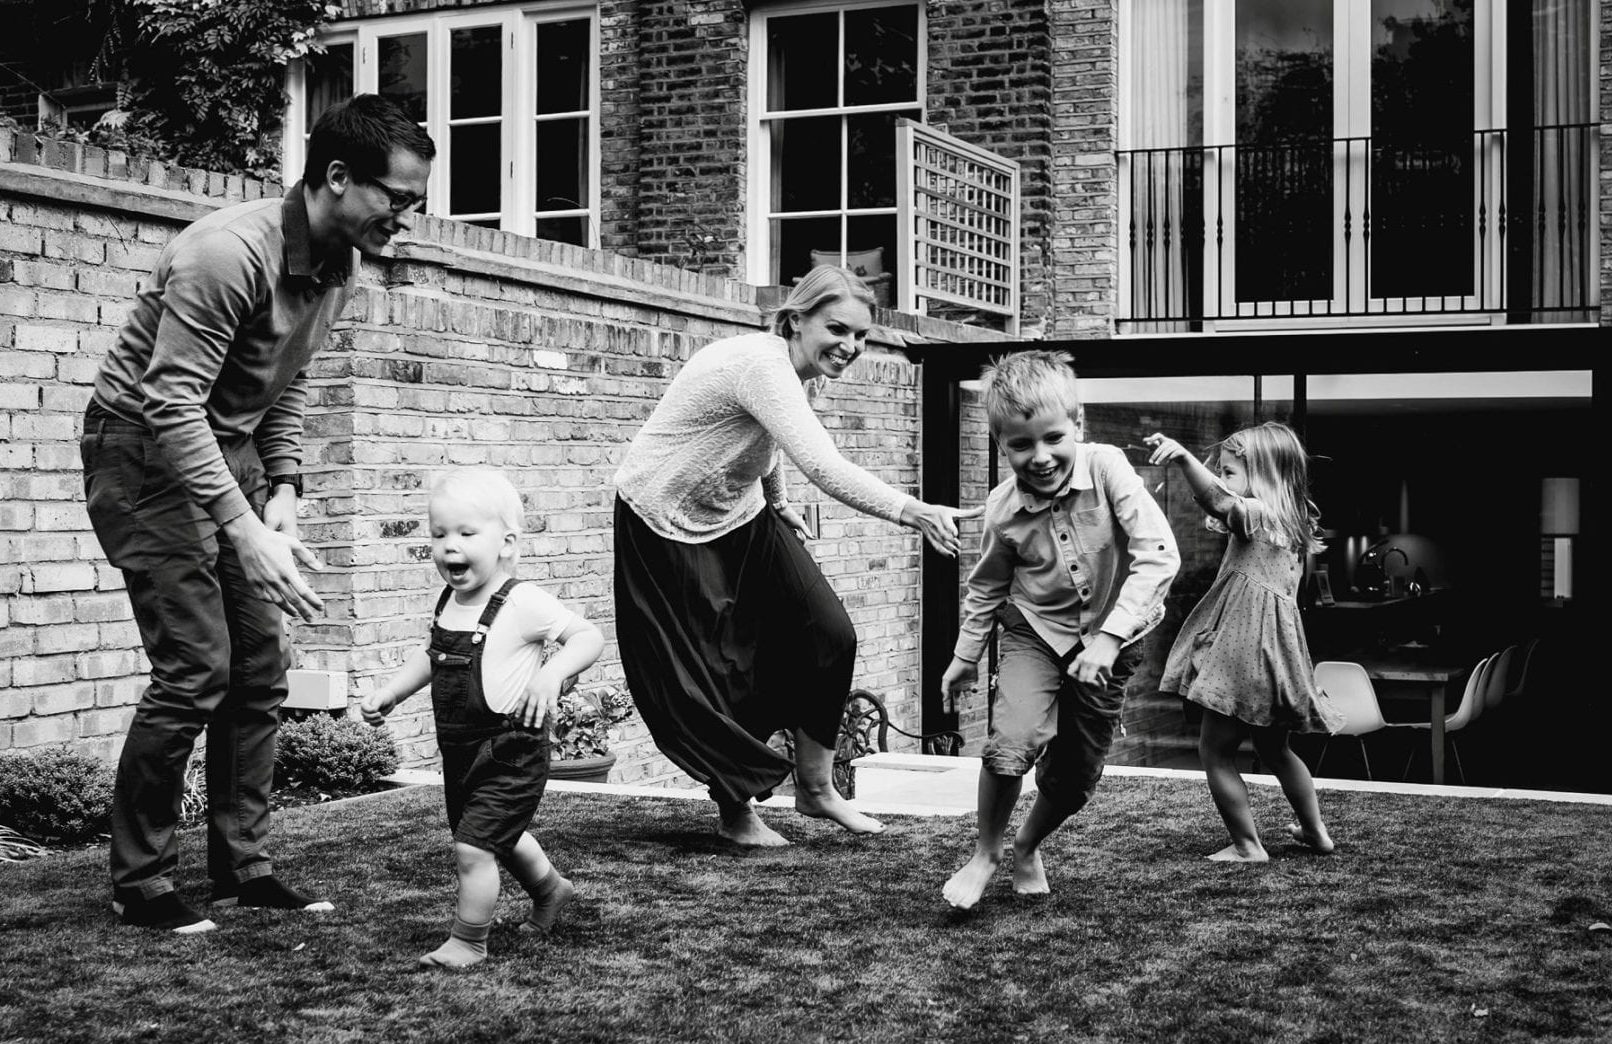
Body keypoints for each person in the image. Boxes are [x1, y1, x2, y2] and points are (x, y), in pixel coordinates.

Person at [80, 94, 436, 933]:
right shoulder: (227, 254)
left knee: (259, 669)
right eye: (398, 198)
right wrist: (238, 525)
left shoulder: (341, 260)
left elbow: (285, 382)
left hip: (223, 448)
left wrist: (282, 494)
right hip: (141, 451)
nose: (407, 219)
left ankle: (244, 870)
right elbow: (168, 404)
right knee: (195, 668)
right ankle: (142, 882)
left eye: (416, 203)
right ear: (338, 177)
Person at [613, 265, 978, 847]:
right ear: (797, 320)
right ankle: (737, 814)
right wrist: (913, 510)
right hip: (663, 518)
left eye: (862, 336)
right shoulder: (762, 364)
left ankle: (815, 789)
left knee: (828, 632)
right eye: (838, 329)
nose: (851, 346)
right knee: (721, 667)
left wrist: (777, 501)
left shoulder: (798, 373)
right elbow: (823, 464)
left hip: (739, 510)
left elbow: (770, 439)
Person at [940, 350, 1180, 909]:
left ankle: (1027, 845)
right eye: (1020, 445)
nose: (1040, 457)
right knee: (1010, 743)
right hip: (1034, 633)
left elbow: (1158, 555)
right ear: (1002, 446)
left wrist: (1109, 637)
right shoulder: (1002, 509)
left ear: (1077, 425)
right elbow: (986, 588)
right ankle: (986, 854)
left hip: (1113, 639)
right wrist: (965, 655)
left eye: (1052, 438)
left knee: (1076, 775)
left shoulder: (1109, 468)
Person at [360, 469, 603, 969]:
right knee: (497, 837)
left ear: (507, 542)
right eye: (439, 534)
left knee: (474, 848)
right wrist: (391, 692)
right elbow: (431, 657)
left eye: (466, 534)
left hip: (511, 749)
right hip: (461, 751)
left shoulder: (521, 601)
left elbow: (588, 637)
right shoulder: (449, 601)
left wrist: (550, 675)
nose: (450, 546)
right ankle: (552, 891)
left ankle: (468, 941)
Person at [1145, 423, 1343, 861]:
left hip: (1242, 648)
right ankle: (1315, 832)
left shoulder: (1256, 513)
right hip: (1274, 651)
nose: (1221, 480)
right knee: (1276, 748)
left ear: (1264, 474)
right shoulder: (1290, 519)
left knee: (1214, 750)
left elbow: (1217, 500)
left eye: (1229, 472)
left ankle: (1247, 845)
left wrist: (1182, 458)